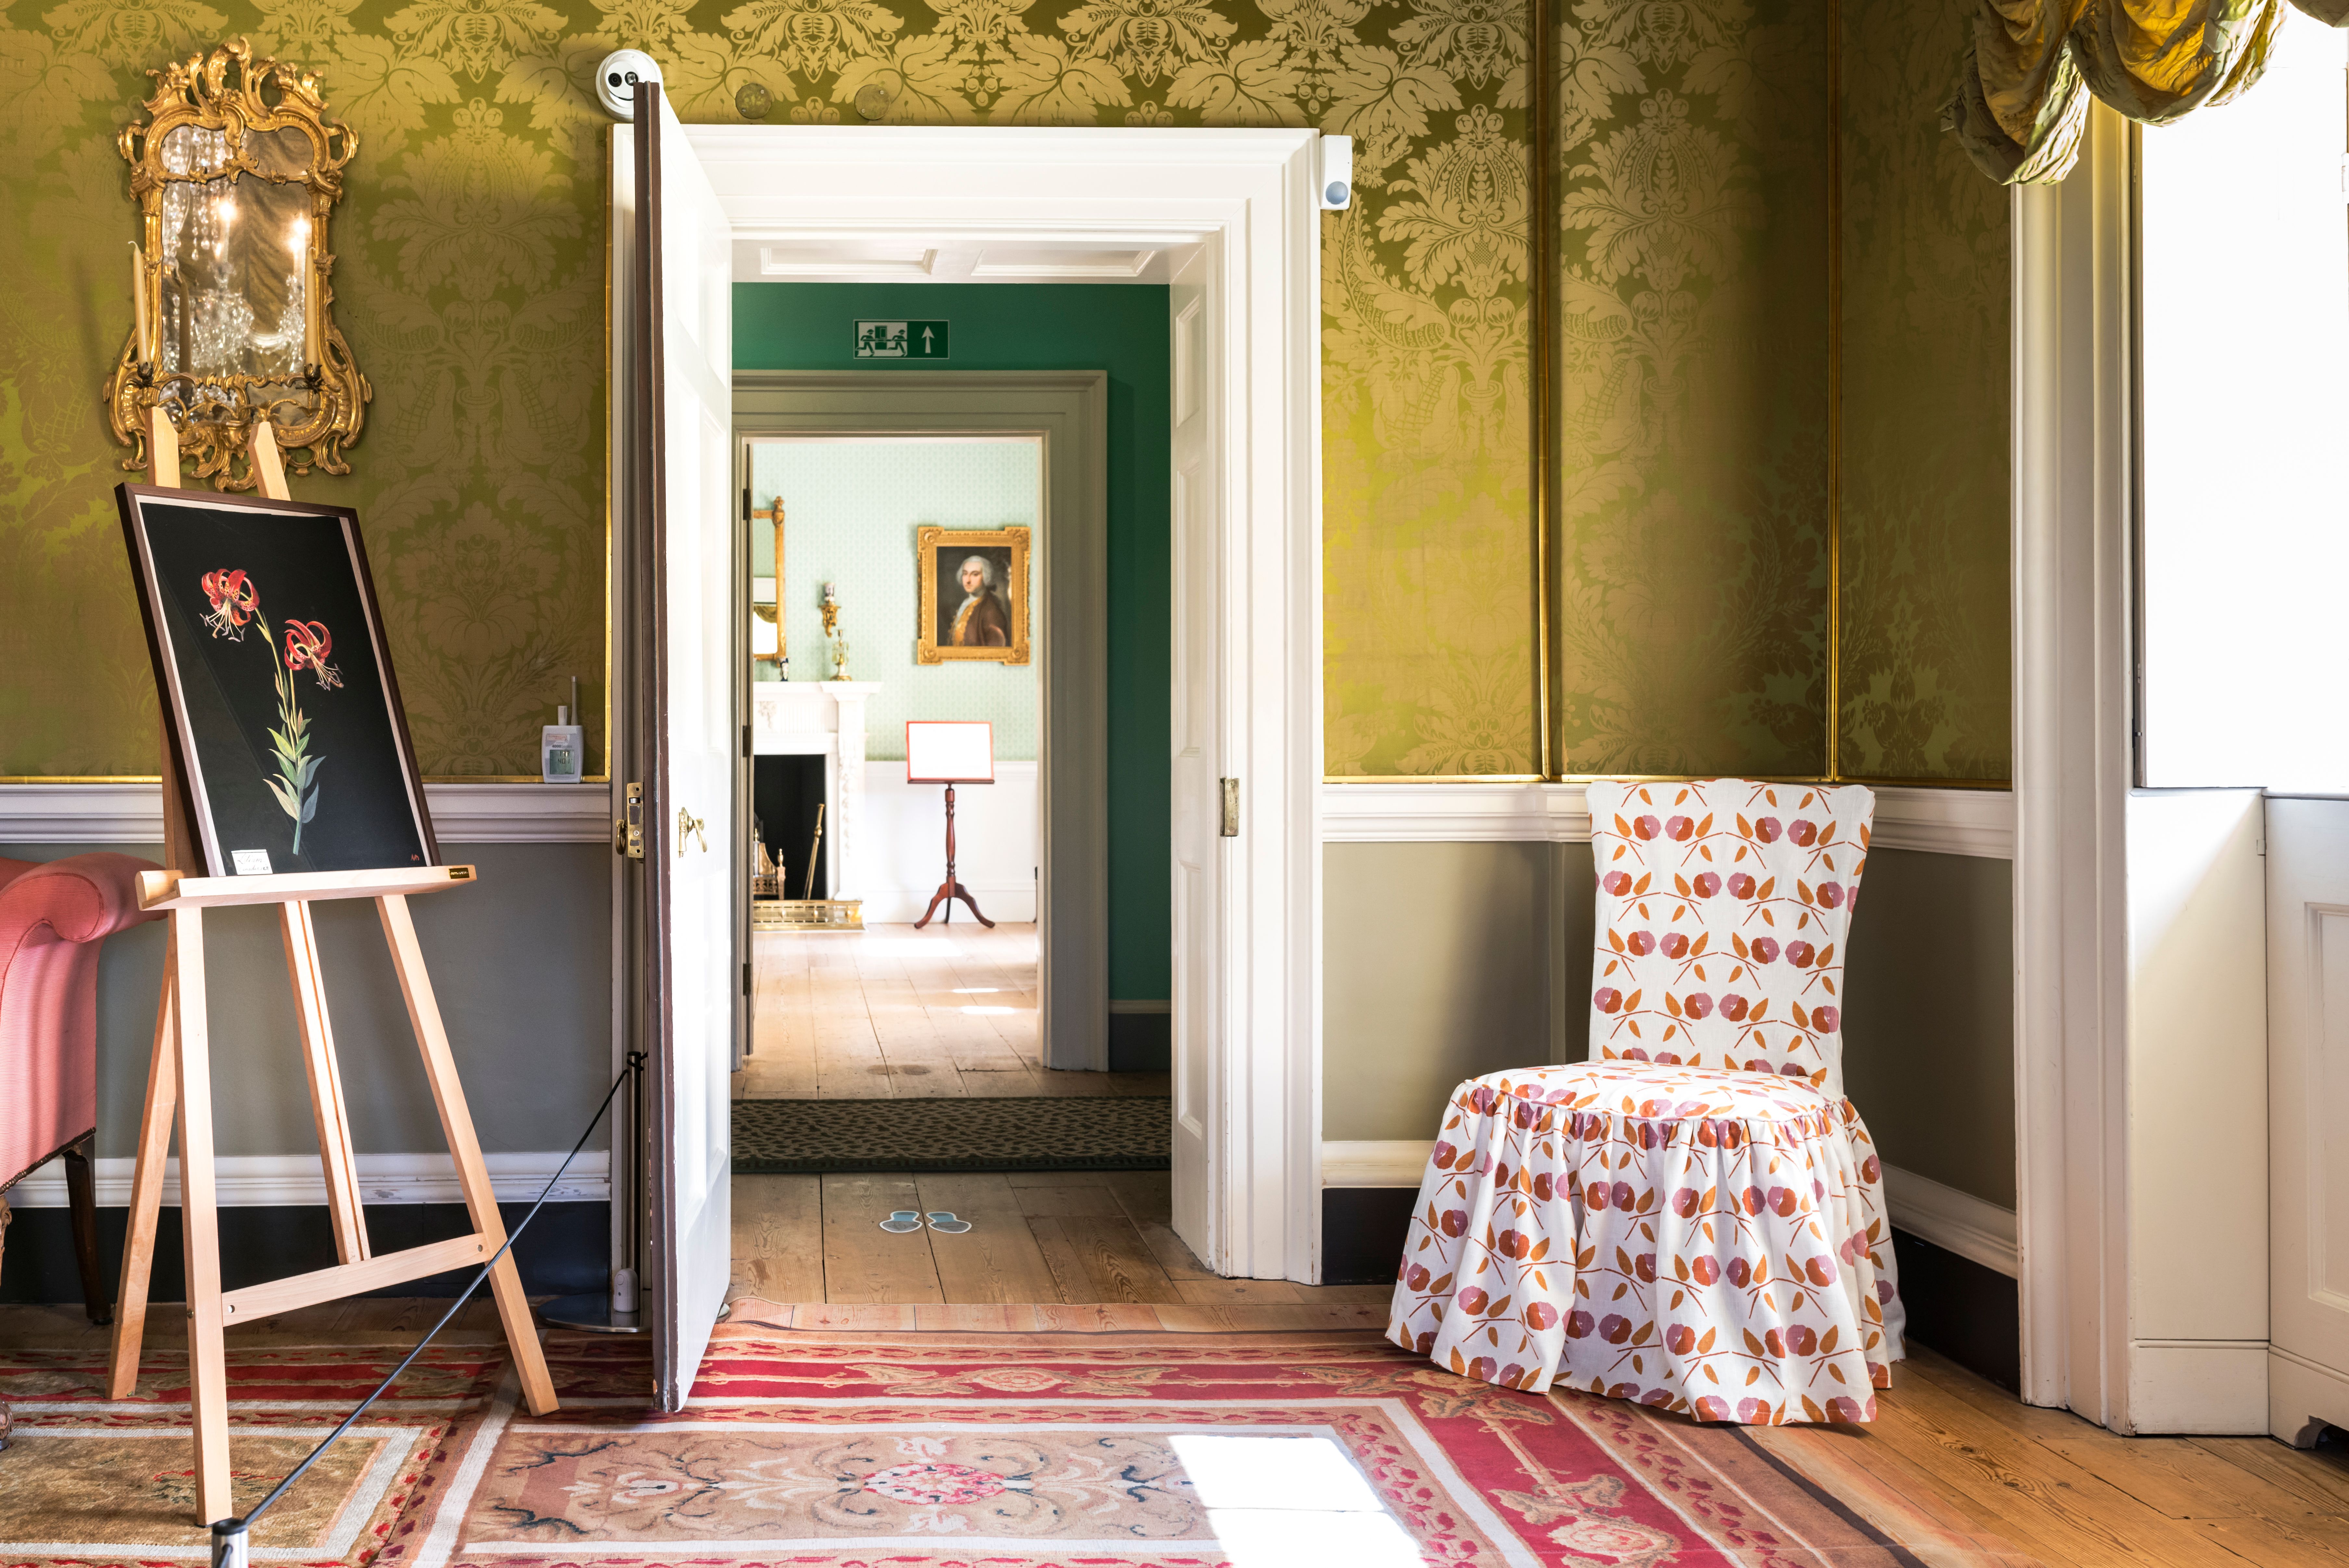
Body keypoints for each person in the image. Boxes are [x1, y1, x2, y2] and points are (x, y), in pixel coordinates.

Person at [948, 554, 1011, 647]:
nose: (968, 580)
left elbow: (996, 653)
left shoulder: (991, 612)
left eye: (975, 575)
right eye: (965, 574)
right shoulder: (967, 602)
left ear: (986, 577)